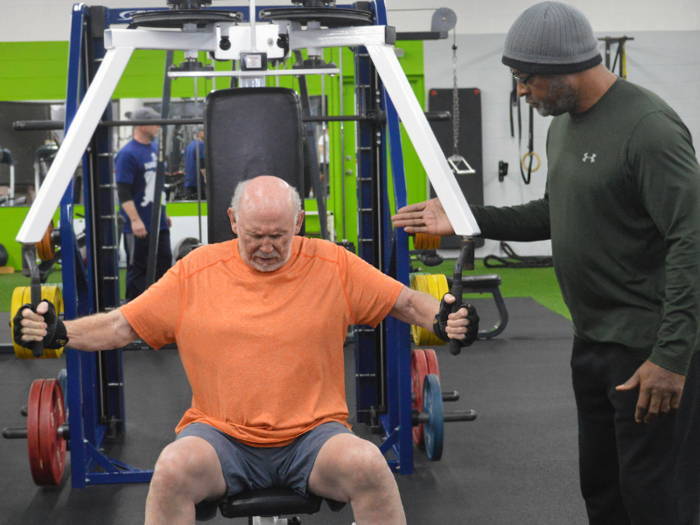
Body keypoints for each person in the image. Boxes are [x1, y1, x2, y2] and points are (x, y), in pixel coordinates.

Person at [14, 175, 479, 525]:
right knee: (172, 469)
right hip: (221, 437)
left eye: (279, 235)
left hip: (314, 437)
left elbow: (404, 301)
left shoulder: (333, 264)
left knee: (369, 466)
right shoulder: (195, 271)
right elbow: (119, 326)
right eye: (255, 235)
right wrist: (59, 332)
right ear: (233, 221)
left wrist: (443, 316)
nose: (267, 248)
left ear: (298, 222)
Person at [392, 3, 700, 524]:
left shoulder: (648, 128)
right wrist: (468, 217)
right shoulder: (564, 126)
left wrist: (672, 357)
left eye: (525, 79)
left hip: (646, 346)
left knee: (657, 500)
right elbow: (553, 212)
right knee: (602, 493)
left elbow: (690, 240)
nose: (520, 91)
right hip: (592, 341)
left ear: (565, 69)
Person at [117, 106, 173, 302]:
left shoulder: (156, 149)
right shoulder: (127, 154)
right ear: (141, 125)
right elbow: (123, 191)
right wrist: (134, 220)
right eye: (153, 122)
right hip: (139, 226)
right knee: (138, 272)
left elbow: (156, 184)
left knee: (164, 267)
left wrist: (163, 212)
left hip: (159, 223)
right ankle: (133, 319)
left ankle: (161, 313)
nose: (158, 125)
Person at [184, 128, 206, 200]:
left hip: (189, 181)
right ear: (199, 132)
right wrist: (206, 178)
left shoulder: (190, 145)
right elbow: (202, 163)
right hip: (198, 181)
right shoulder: (201, 145)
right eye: (204, 131)